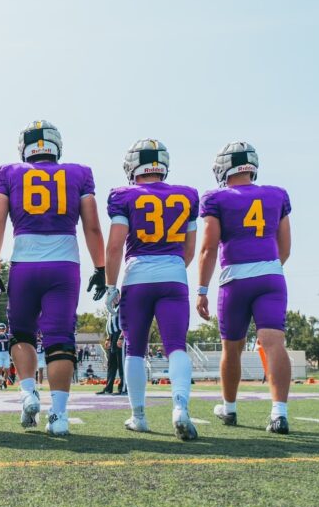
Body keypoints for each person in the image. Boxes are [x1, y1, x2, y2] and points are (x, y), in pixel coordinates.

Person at [0, 120, 106, 436]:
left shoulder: (9, 173)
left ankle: (28, 393)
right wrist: (101, 267)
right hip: (65, 264)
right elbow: (92, 226)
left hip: (24, 262)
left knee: (20, 334)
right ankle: (59, 417)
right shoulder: (79, 173)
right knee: (60, 339)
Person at [196, 142, 293, 434]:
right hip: (271, 275)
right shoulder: (277, 194)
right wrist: (267, 268)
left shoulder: (217, 198)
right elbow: (285, 246)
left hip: (235, 280)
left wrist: (201, 289)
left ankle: (229, 407)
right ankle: (279, 413)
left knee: (232, 347)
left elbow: (209, 248)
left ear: (225, 167)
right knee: (274, 343)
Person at [104, 139, 198, 438]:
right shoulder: (187, 196)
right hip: (173, 275)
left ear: (133, 166)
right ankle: (181, 408)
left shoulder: (124, 196)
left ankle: (139, 416)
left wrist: (110, 286)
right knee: (176, 347)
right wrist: (170, 268)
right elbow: (190, 249)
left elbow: (116, 245)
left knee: (134, 350)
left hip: (137, 277)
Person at [98, 302, 125, 396]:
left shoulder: (122, 306)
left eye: (115, 295)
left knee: (121, 364)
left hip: (119, 335)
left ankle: (123, 388)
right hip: (112, 336)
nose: (113, 298)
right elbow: (110, 325)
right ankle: (108, 388)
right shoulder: (111, 309)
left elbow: (125, 322)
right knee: (111, 364)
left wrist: (121, 337)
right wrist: (108, 338)